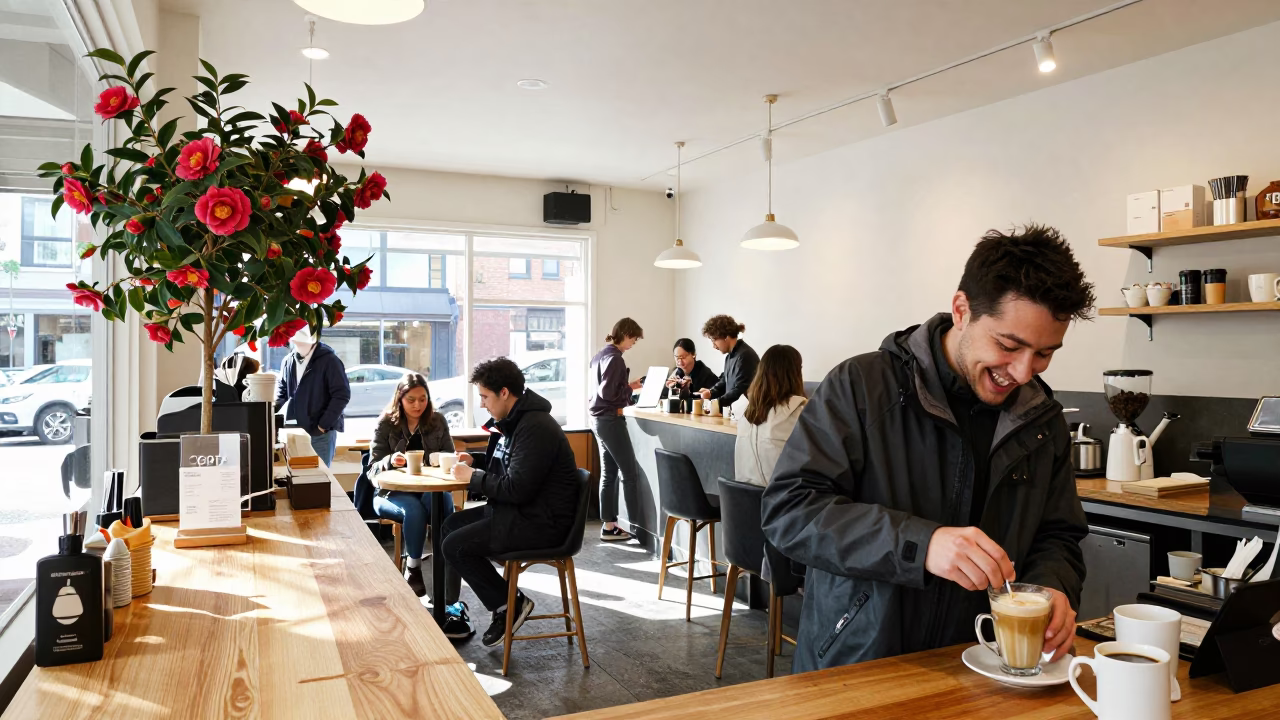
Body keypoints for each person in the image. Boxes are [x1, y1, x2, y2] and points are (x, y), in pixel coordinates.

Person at [762, 224, 1093, 673]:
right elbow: (790, 511)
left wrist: (1053, 587)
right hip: (856, 667)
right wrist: (922, 544)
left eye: (1044, 354)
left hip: (986, 671)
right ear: (962, 310)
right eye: (1008, 345)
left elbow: (1058, 535)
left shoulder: (1041, 418)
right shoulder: (861, 387)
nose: (1022, 372)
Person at [442, 357, 580, 647]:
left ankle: (507, 605)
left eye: (485, 397)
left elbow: (517, 487)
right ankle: (475, 604)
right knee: (451, 525)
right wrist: (476, 462)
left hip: (542, 522)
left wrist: (473, 477)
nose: (482, 404)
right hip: (523, 512)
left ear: (504, 393)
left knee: (454, 545)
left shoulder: (535, 426)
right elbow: (514, 466)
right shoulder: (517, 421)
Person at [366, 373, 472, 638]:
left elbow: (448, 456)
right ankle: (413, 568)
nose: (417, 405)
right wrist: (391, 460)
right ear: (399, 399)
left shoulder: (437, 422)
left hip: (428, 489)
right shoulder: (386, 424)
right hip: (391, 493)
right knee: (414, 511)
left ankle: (447, 596)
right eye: (411, 399)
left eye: (422, 399)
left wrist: (454, 459)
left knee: (443, 503)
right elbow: (372, 470)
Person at [588, 318, 646, 542]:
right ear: (625, 334)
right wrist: (630, 391)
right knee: (629, 473)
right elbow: (609, 394)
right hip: (611, 419)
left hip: (598, 419)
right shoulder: (615, 359)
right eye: (633, 338)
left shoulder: (600, 356)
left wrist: (629, 386)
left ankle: (609, 526)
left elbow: (605, 389)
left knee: (609, 473)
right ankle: (637, 528)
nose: (633, 343)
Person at [275, 327, 350, 466]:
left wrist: (322, 425)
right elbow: (281, 393)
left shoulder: (329, 361)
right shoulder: (288, 361)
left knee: (319, 478)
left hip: (319, 433)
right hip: (294, 432)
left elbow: (342, 394)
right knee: (297, 477)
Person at [735, 344, 806, 487]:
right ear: (795, 373)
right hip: (782, 503)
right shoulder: (800, 412)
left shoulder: (743, 410)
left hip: (742, 502)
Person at [698, 315, 760, 409]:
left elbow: (740, 390)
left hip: (745, 414)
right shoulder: (730, 356)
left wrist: (715, 404)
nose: (714, 346)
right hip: (734, 413)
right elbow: (725, 381)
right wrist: (711, 392)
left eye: (714, 340)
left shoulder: (745, 356)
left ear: (725, 337)